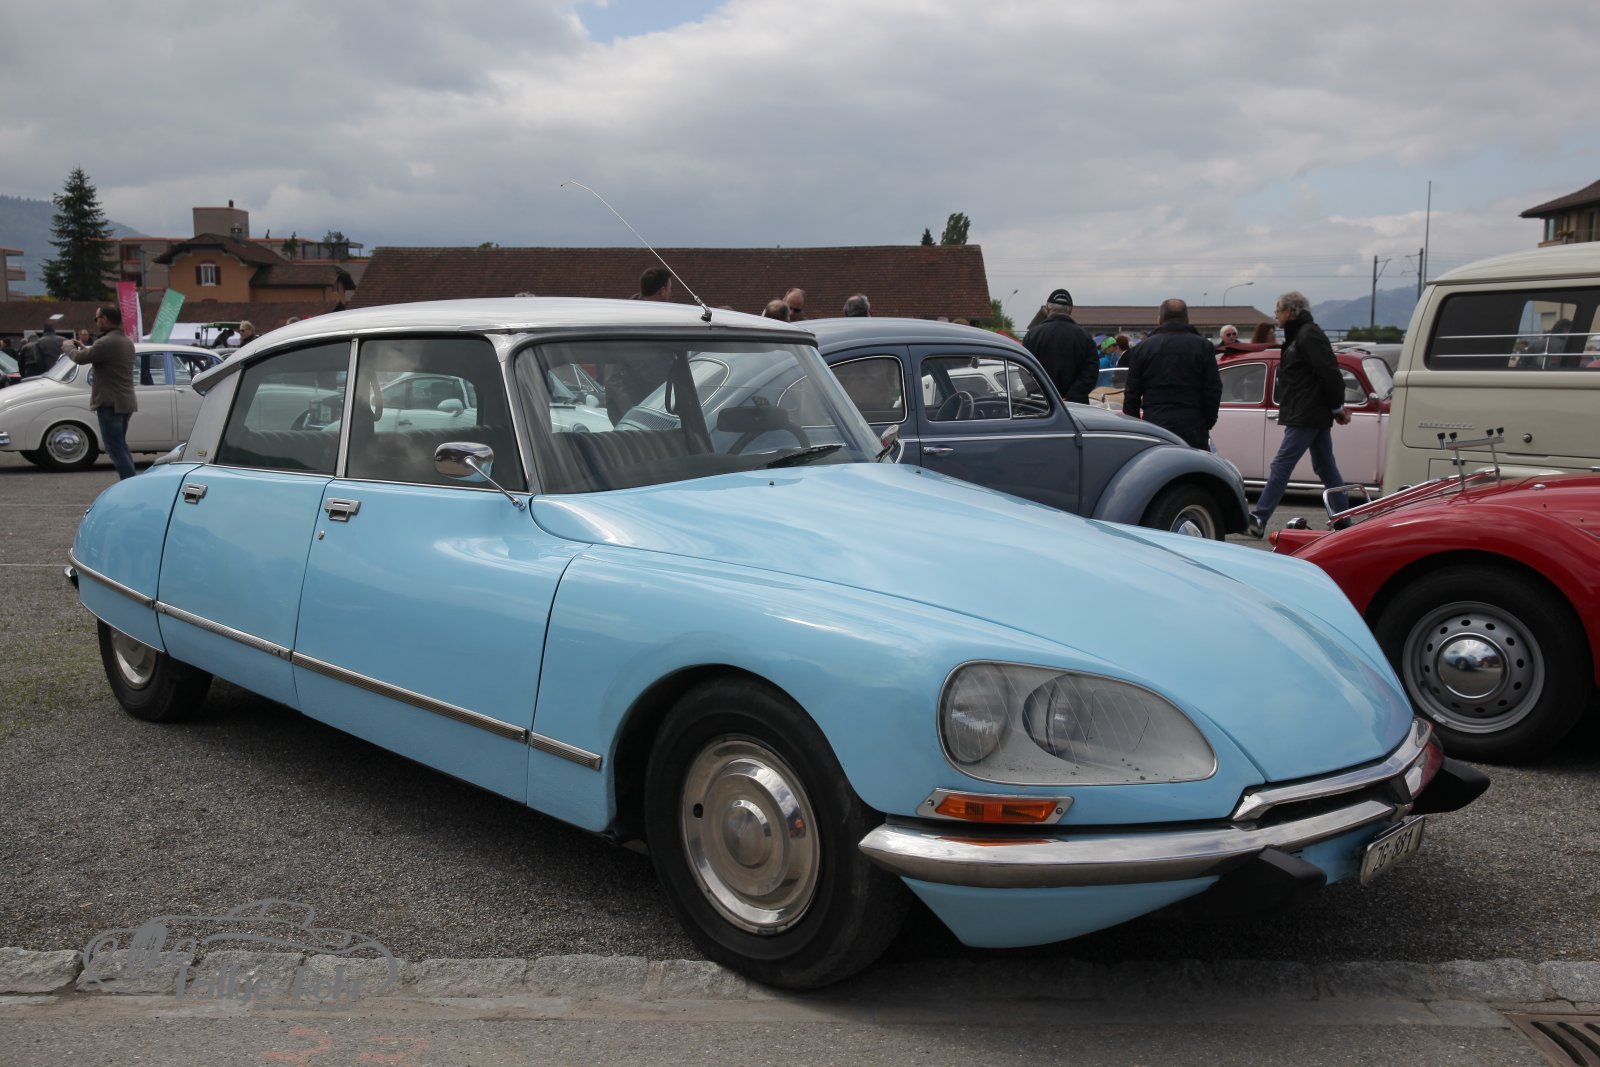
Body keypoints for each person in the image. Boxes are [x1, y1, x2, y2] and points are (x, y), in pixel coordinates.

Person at [1247, 291, 1350, 537]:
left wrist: (1337, 406)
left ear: (1290, 311)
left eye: (1278, 311)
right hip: (1310, 410)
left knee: (1282, 463)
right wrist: (1334, 407)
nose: (1276, 316)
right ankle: (1344, 522)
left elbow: (1328, 372)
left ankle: (1260, 517)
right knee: (1325, 468)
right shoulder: (1302, 334)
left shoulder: (1307, 335)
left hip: (1307, 411)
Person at [1121, 299, 1222, 450]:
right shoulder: (1204, 346)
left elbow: (1132, 394)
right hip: (1193, 423)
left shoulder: (1143, 348)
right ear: (1187, 320)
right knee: (1192, 464)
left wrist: (1138, 426)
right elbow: (1213, 388)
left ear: (1160, 319)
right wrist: (1207, 421)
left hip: (1155, 423)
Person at [69, 306, 139, 480]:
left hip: (110, 403)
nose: (96, 322)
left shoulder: (107, 342)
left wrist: (67, 347)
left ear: (105, 319)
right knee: (120, 445)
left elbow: (80, 358)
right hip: (125, 401)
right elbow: (98, 355)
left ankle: (129, 483)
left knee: (114, 447)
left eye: (97, 318)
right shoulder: (125, 341)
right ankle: (131, 481)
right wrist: (84, 347)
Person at [1021, 288, 1098, 404]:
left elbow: (1024, 370)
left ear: (1047, 308)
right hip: (1076, 406)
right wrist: (1071, 396)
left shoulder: (1032, 336)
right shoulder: (1085, 337)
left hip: (1041, 405)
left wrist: (1041, 394)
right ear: (1071, 310)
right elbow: (1091, 373)